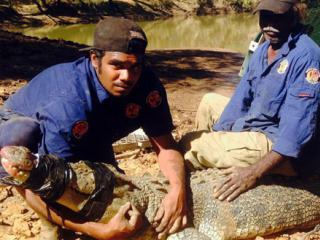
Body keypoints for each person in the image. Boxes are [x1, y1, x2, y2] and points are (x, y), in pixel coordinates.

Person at [0, 17, 187, 239]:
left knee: (110, 190)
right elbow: (44, 181)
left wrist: (178, 190)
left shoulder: (147, 85)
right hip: (29, 128)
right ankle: (51, 226)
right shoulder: (67, 102)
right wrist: (93, 229)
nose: (127, 76)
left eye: (135, 66)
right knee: (52, 180)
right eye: (116, 65)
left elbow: (165, 146)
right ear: (94, 59)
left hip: (94, 131)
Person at [181, 0, 320, 202]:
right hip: (256, 125)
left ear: (295, 15)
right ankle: (213, 165)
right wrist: (221, 134)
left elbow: (294, 136)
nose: (269, 25)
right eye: (265, 16)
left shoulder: (307, 57)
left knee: (191, 145)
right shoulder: (264, 49)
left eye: (278, 17)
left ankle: (202, 170)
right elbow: (240, 100)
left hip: (277, 143)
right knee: (208, 102)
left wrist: (253, 173)